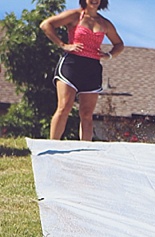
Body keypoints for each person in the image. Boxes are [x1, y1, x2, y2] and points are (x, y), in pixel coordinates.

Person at [40, 0, 124, 141]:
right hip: (71, 65)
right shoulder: (75, 15)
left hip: (92, 68)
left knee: (86, 114)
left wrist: (108, 55)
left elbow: (119, 44)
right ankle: (53, 145)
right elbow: (46, 25)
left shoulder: (105, 23)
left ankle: (85, 148)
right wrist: (63, 45)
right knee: (64, 107)